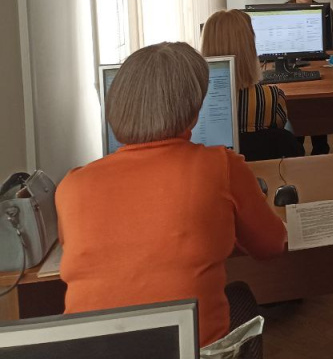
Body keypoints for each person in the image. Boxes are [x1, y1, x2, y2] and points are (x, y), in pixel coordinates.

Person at [57, 42, 286, 348]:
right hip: (192, 351)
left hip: (90, 353)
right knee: (240, 294)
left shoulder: (71, 186)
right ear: (193, 112)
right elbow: (271, 246)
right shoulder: (221, 166)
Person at [201, 9, 303, 161]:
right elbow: (279, 132)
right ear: (249, 47)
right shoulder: (272, 97)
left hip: (215, 169)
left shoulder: (196, 104)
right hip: (263, 170)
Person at [288, 0, 333, 155]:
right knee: (296, 112)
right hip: (292, 70)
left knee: (319, 110)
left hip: (320, 70)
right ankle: (297, 148)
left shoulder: (325, 11)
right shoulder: (283, 12)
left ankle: (320, 148)